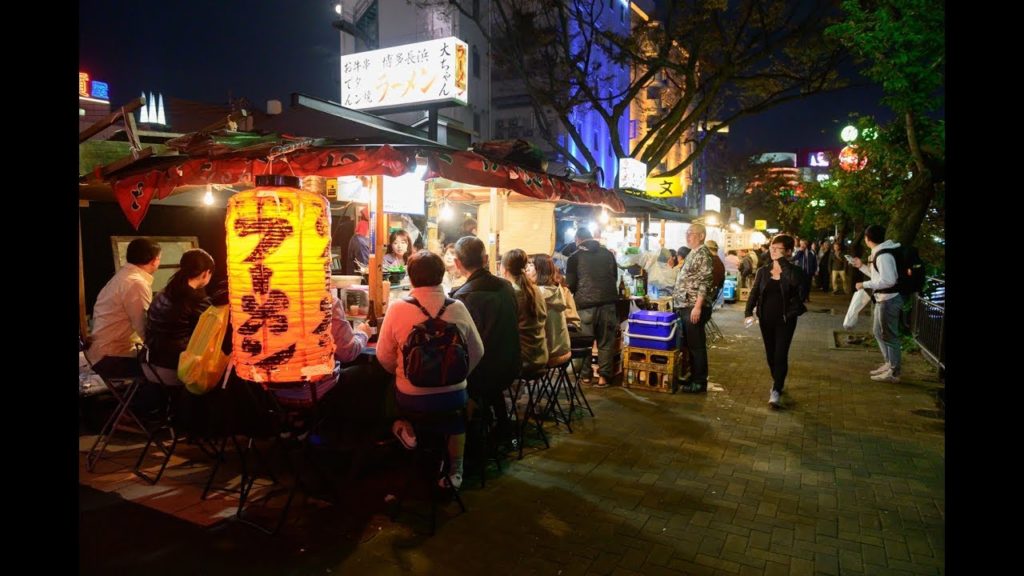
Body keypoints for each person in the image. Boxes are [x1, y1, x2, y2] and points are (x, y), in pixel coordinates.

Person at [376, 250, 484, 490]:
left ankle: (406, 428)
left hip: (412, 397)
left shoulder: (397, 308)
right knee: (455, 418)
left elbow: (383, 357)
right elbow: (478, 351)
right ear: (442, 275)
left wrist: (405, 375)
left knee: (388, 394)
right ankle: (456, 471)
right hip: (453, 395)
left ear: (410, 276)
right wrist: (456, 378)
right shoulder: (458, 307)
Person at [451, 236, 521, 449]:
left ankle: (464, 436)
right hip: (512, 365)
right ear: (486, 259)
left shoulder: (462, 297)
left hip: (483, 374)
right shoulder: (507, 287)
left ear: (457, 264)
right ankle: (501, 425)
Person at [743, 234, 807, 408]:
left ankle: (776, 389)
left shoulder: (795, 271)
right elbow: (755, 292)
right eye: (772, 248)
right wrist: (748, 312)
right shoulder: (763, 271)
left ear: (787, 251)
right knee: (771, 355)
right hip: (765, 319)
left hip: (786, 320)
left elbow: (796, 284)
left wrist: (783, 263)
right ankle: (777, 380)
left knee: (780, 354)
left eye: (778, 249)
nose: (773, 252)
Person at [86, 238, 163, 378]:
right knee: (168, 369)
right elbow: (144, 328)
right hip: (113, 358)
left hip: (102, 354)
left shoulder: (122, 277)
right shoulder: (135, 283)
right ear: (154, 260)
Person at [142, 249, 215, 386]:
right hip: (176, 369)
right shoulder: (197, 302)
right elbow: (210, 335)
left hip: (148, 365)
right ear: (206, 273)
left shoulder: (163, 293)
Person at [565, 227, 619, 388]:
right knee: (606, 342)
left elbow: (571, 284)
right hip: (608, 304)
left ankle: (586, 377)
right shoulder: (608, 254)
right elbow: (614, 277)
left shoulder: (574, 258)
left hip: (585, 306)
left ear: (577, 240)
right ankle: (603, 378)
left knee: (585, 343)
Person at [851, 225, 902, 383]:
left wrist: (864, 285)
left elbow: (888, 280)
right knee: (878, 332)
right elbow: (877, 276)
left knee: (889, 335)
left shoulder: (883, 255)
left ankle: (894, 372)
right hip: (883, 299)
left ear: (867, 239)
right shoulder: (879, 252)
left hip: (889, 299)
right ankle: (889, 364)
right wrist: (862, 267)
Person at [672, 224, 714, 393]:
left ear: (702, 235)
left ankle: (700, 381)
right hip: (684, 305)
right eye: (687, 233)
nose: (688, 236)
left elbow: (705, 282)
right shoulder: (692, 253)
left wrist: (697, 307)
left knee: (697, 346)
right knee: (689, 345)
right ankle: (693, 375)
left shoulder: (704, 254)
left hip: (693, 306)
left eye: (692, 234)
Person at [502, 249, 549, 374]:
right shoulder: (536, 290)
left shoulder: (511, 293)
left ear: (504, 269)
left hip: (523, 360)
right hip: (541, 355)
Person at [531, 254, 573, 367]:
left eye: (531, 265)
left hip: (544, 354)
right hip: (563, 350)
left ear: (538, 270)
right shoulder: (558, 290)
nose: (527, 269)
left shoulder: (536, 294)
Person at [346, 207, 370, 274]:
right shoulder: (361, 240)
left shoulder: (358, 238)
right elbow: (365, 268)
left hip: (356, 278)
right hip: (360, 280)